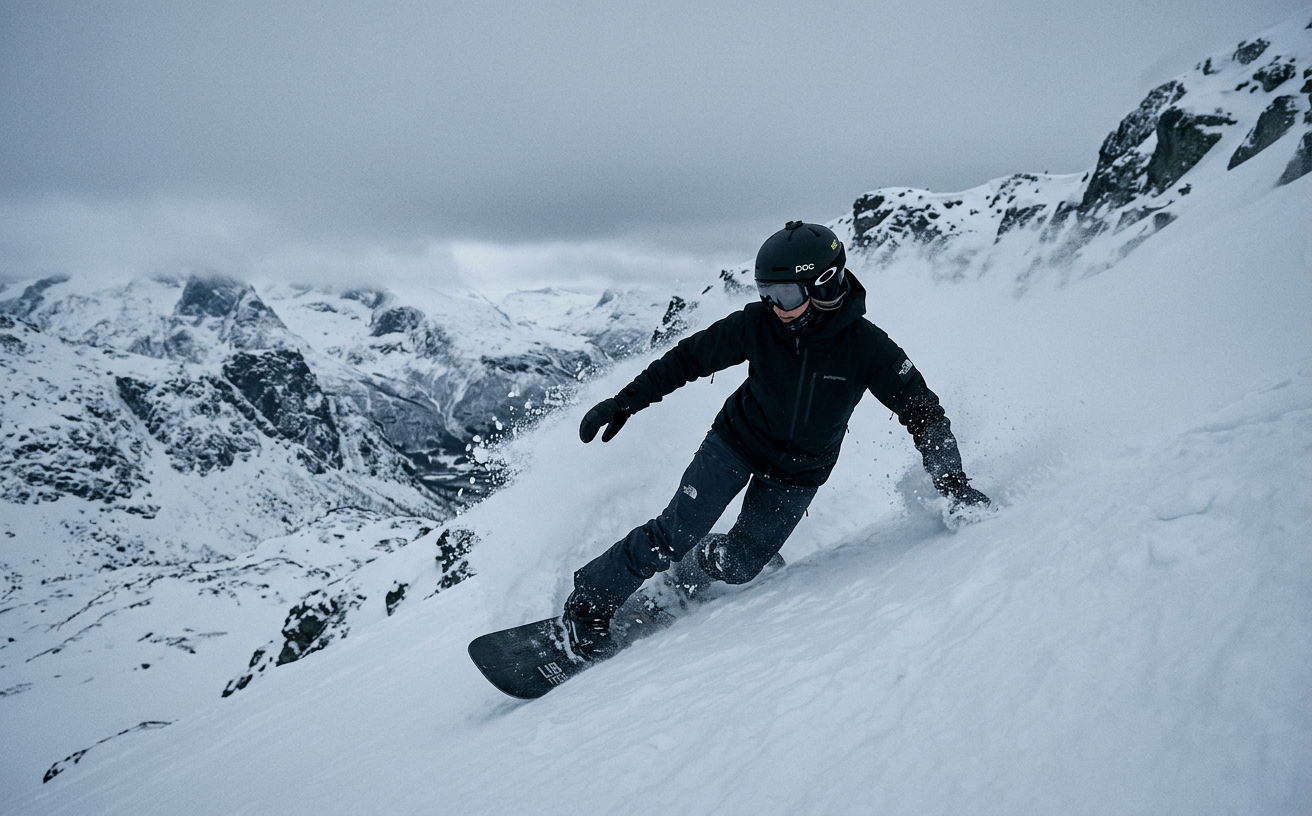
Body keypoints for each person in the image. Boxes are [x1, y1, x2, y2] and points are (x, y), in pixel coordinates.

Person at [563, 221, 990, 659]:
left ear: (825, 285)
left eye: (784, 295)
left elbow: (924, 413)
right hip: (735, 443)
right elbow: (687, 359)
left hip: (799, 471)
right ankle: (588, 603)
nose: (774, 306)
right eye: (766, 293)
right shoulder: (758, 324)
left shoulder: (869, 349)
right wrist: (624, 402)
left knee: (741, 565)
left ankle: (694, 570)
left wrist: (952, 484)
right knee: (677, 530)